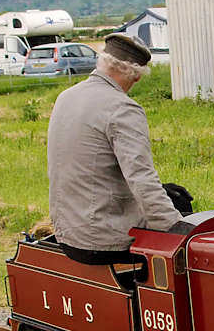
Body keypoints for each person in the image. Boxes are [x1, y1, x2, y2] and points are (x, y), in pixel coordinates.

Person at [47, 33, 191, 265]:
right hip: (100, 243)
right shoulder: (122, 108)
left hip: (68, 232)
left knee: (172, 196)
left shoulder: (66, 97)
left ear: (102, 62)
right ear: (136, 76)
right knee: (181, 206)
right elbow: (142, 179)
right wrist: (179, 232)